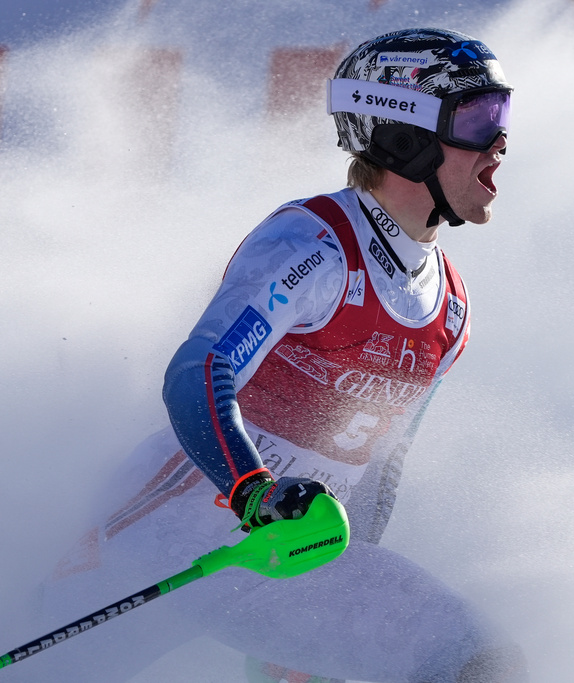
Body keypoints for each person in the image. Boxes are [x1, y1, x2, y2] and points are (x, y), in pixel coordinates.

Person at [19, 27, 527, 683]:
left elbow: (377, 471)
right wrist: (255, 493)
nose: (501, 141)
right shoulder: (317, 242)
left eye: (503, 114)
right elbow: (199, 373)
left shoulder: (450, 310)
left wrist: (333, 578)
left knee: (475, 659)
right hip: (176, 538)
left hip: (280, 555)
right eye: (479, 117)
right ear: (405, 134)